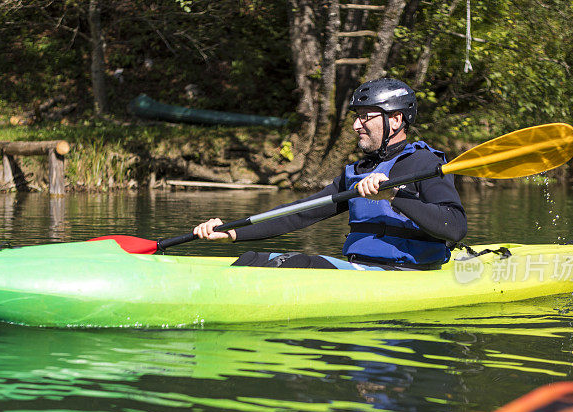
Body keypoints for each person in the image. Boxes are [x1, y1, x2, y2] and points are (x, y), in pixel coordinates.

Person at [193, 78, 467, 270]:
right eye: (355, 117)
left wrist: (394, 196)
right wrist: (232, 232)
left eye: (365, 117)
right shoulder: (359, 172)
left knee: (286, 265)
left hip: (408, 273)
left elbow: (455, 227)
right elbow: (301, 212)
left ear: (395, 120)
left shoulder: (425, 164)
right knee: (253, 259)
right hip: (361, 270)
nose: (356, 125)